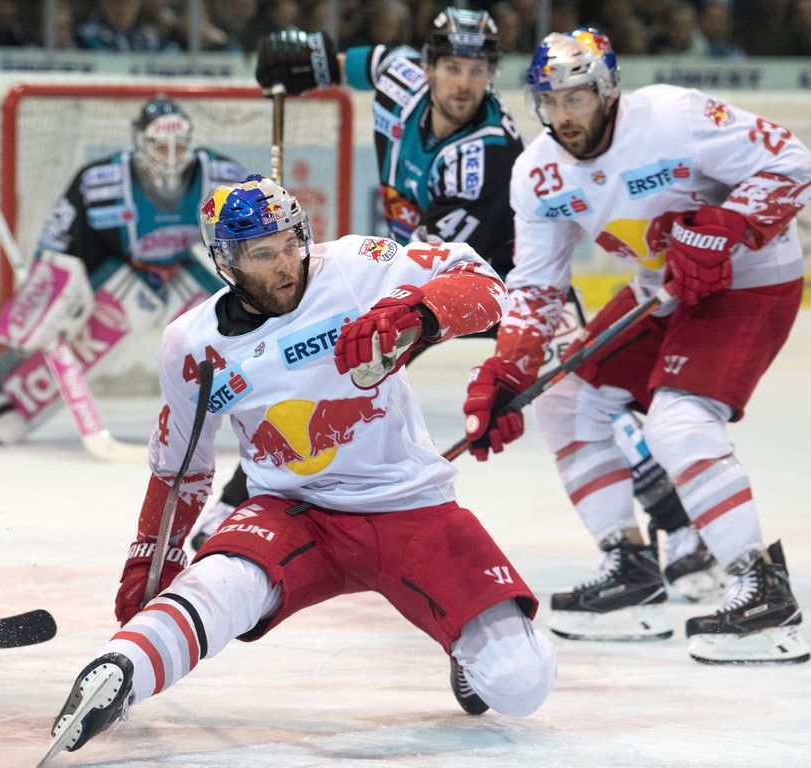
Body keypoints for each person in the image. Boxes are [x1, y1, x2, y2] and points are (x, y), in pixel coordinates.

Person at [193, 7, 718, 604]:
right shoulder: (396, 75)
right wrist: (303, 60)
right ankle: (239, 501)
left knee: (582, 398)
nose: (463, 82)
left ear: (491, 74)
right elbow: (349, 64)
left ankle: (681, 534)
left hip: (498, 288)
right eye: (451, 66)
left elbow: (431, 271)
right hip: (417, 280)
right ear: (427, 66)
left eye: (476, 69)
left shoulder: (489, 152)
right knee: (322, 370)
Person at [44, 176, 557, 756]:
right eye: (263, 254)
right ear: (225, 263)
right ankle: (119, 673)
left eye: (291, 243)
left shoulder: (357, 266)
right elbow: (180, 467)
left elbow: (485, 284)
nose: (287, 263)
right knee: (219, 585)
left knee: (522, 685)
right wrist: (151, 553)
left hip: (408, 504)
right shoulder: (191, 345)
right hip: (291, 512)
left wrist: (414, 314)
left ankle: (469, 648)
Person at [464, 27, 810, 663]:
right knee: (565, 401)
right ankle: (632, 570)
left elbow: (791, 160)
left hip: (752, 280)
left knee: (679, 421)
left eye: (576, 98)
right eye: (550, 101)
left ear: (608, 90)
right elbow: (536, 286)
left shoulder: (675, 116)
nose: (564, 116)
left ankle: (763, 589)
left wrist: (728, 224)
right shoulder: (537, 174)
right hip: (662, 289)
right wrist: (507, 369)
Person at [0, 97, 246, 444]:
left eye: (179, 145)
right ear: (140, 140)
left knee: (237, 327)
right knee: (73, 333)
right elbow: (58, 240)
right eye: (160, 145)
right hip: (125, 274)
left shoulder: (223, 176)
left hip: (187, 272)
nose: (171, 155)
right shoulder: (99, 181)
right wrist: (46, 288)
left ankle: (268, 396)